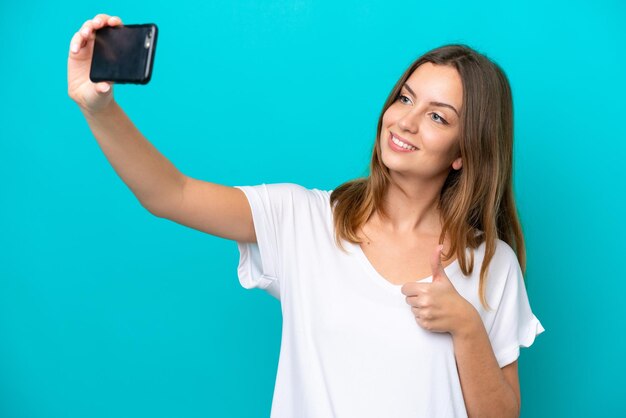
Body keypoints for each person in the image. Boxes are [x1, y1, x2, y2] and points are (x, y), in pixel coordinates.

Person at [68, 13, 545, 418]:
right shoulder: (304, 220)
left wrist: (465, 326)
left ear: (464, 151)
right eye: (404, 98)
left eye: (438, 117)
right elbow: (170, 193)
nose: (405, 121)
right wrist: (99, 108)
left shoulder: (489, 264)